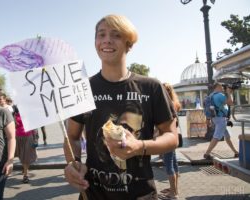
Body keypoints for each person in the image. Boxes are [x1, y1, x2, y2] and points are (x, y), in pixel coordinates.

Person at [63, 14, 178, 200]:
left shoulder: (152, 87)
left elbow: (172, 138)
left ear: (128, 43)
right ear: (95, 42)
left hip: (141, 194)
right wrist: (72, 163)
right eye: (101, 35)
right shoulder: (82, 89)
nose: (107, 40)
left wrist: (139, 146)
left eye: (116, 35)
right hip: (93, 194)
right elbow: (72, 137)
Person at [203, 82, 239, 160]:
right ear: (218, 87)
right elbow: (231, 102)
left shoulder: (212, 95)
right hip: (221, 119)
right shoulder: (220, 95)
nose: (223, 88)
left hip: (216, 118)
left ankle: (236, 152)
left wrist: (208, 119)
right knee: (216, 137)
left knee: (227, 136)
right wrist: (229, 93)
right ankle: (207, 154)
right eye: (222, 87)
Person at [158, 83, 181, 200]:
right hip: (173, 136)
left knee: (169, 164)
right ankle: (175, 189)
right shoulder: (174, 103)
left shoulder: (167, 104)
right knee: (174, 163)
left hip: (167, 137)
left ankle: (173, 194)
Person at [13, 105, 37, 183]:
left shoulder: (29, 115)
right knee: (21, 155)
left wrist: (35, 139)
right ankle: (25, 168)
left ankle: (25, 175)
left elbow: (34, 127)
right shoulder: (14, 115)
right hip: (18, 138)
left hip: (28, 137)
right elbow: (13, 126)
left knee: (25, 156)